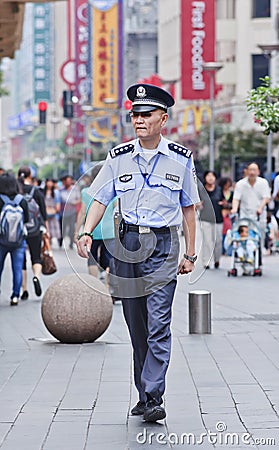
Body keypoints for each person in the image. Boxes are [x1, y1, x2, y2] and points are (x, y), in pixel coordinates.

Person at [76, 83, 200, 422]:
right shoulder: (118, 158)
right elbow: (100, 197)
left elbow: (189, 208)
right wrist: (87, 231)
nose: (139, 120)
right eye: (135, 115)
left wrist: (190, 254)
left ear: (164, 119)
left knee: (159, 321)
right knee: (136, 323)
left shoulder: (181, 159)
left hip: (163, 245)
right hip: (127, 245)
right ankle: (144, 393)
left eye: (146, 115)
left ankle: (154, 394)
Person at [74, 164, 115, 280]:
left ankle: (94, 286)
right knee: (109, 261)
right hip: (109, 231)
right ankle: (108, 290)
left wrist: (77, 232)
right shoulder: (113, 191)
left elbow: (82, 213)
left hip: (91, 230)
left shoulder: (86, 191)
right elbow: (117, 211)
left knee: (91, 259)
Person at [18, 166, 48, 299]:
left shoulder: (15, 191)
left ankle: (23, 289)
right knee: (36, 257)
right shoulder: (35, 191)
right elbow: (43, 212)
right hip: (35, 229)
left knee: (21, 260)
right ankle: (36, 277)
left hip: (18, 230)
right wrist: (46, 229)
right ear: (30, 175)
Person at [0, 173, 29, 305]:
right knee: (17, 268)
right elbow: (27, 219)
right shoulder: (21, 200)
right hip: (18, 241)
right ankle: (15, 296)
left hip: (1, 240)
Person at [231, 162, 270, 259]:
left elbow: (266, 198)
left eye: (254, 170)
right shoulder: (240, 184)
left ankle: (257, 259)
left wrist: (260, 208)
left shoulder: (263, 183)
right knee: (244, 237)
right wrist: (234, 209)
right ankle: (245, 257)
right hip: (245, 215)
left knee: (258, 238)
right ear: (247, 171)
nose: (252, 172)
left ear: (258, 172)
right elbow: (236, 198)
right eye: (250, 170)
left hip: (259, 215)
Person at [197, 170, 224, 269]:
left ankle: (217, 259)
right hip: (205, 218)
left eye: (212, 176)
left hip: (218, 219)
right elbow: (195, 202)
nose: (210, 178)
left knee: (218, 241)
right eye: (208, 176)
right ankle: (206, 262)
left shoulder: (219, 190)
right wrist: (198, 204)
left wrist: (224, 204)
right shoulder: (201, 189)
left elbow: (224, 202)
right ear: (205, 178)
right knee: (207, 241)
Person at [59, 175, 81, 249]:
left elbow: (79, 199)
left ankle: (71, 243)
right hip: (63, 212)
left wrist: (75, 202)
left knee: (72, 228)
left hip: (72, 211)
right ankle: (60, 242)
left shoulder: (75, 189)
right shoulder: (60, 190)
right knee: (62, 228)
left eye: (70, 180)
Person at [43, 179, 61, 245]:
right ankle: (48, 242)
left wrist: (55, 210)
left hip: (53, 213)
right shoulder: (43, 192)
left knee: (52, 229)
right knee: (47, 229)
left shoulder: (56, 192)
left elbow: (58, 203)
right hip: (45, 212)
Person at [219, 177, 233, 255]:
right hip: (221, 214)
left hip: (229, 214)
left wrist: (227, 204)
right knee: (221, 232)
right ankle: (222, 249)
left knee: (228, 232)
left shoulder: (232, 193)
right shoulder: (220, 192)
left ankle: (227, 249)